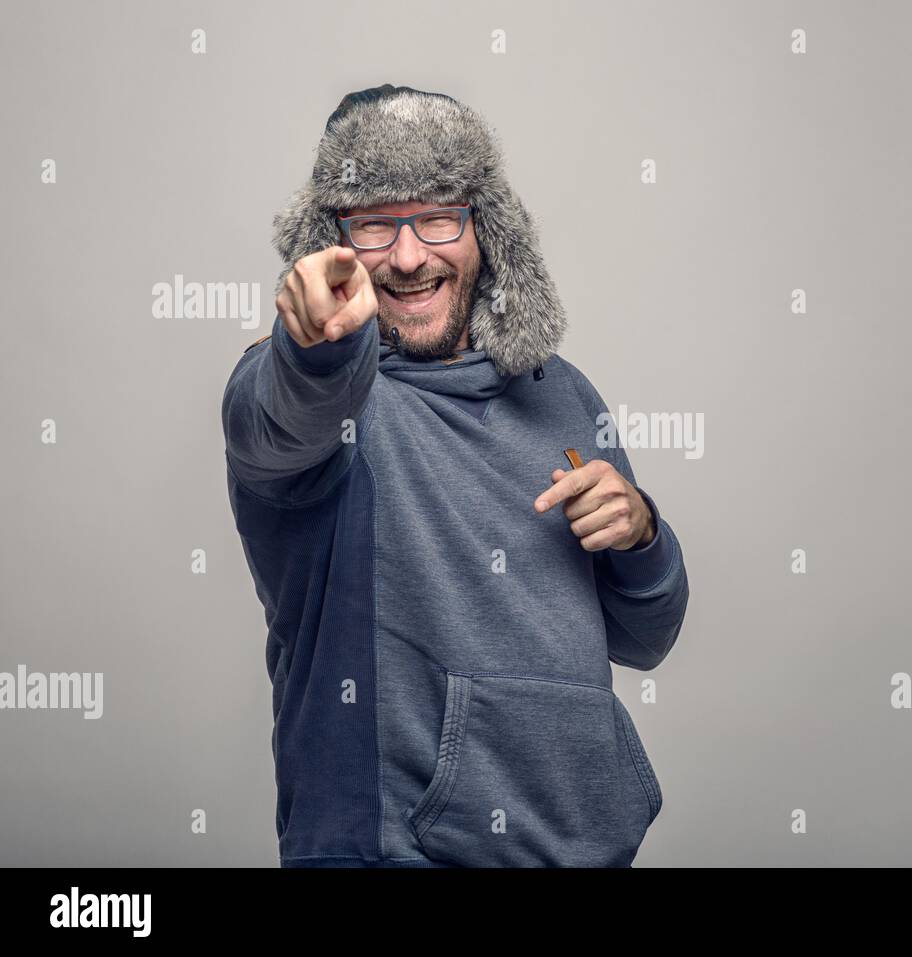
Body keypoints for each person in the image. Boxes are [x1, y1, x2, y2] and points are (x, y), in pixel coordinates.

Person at [220, 85, 689, 867]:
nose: (408, 256)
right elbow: (275, 417)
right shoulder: (325, 401)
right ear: (330, 244)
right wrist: (314, 350)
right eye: (373, 224)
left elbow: (648, 638)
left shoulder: (563, 394)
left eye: (438, 216)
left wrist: (639, 532)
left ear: (484, 229)